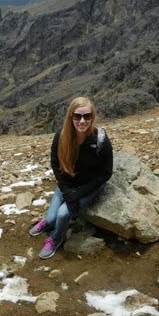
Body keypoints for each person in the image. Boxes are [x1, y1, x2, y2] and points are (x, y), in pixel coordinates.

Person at [29, 96, 113, 259]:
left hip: (89, 185)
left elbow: (105, 173)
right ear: (70, 117)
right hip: (68, 184)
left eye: (87, 116)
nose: (82, 121)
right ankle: (47, 222)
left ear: (92, 117)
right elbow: (55, 164)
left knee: (62, 215)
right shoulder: (61, 136)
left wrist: (79, 194)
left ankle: (56, 238)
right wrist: (67, 191)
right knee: (52, 217)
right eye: (77, 116)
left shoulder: (100, 140)